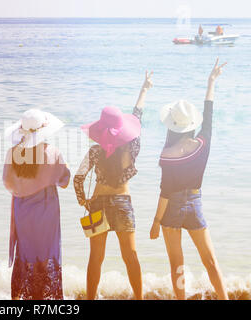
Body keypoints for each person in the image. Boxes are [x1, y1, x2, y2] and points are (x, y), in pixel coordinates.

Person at [149, 58, 228, 300]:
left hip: (171, 210)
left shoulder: (167, 154)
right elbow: (209, 113)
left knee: (177, 265)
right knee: (211, 261)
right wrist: (211, 82)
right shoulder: (202, 144)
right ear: (192, 125)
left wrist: (155, 222)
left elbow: (165, 191)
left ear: (171, 128)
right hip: (194, 205)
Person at [74, 71, 153, 300]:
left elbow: (78, 178)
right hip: (122, 203)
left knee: (95, 258)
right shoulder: (131, 147)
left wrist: (83, 200)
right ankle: (138, 298)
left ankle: (90, 299)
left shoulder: (95, 151)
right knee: (131, 256)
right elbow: (137, 116)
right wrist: (144, 89)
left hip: (97, 204)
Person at [3, 109, 70, 300]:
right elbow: (64, 182)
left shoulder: (12, 153)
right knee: (47, 253)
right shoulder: (53, 152)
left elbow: (7, 183)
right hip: (47, 213)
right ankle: (44, 298)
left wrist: (24, 189)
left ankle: (26, 297)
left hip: (22, 213)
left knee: (26, 253)